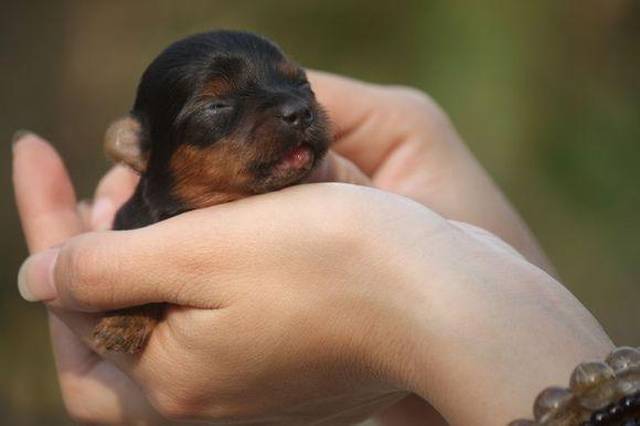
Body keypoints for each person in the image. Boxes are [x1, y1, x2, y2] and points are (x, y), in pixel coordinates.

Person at [13, 71, 613, 425]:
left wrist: (427, 298)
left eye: (297, 85)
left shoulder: (352, 177)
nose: (295, 108)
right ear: (138, 153)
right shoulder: (135, 223)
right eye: (219, 108)